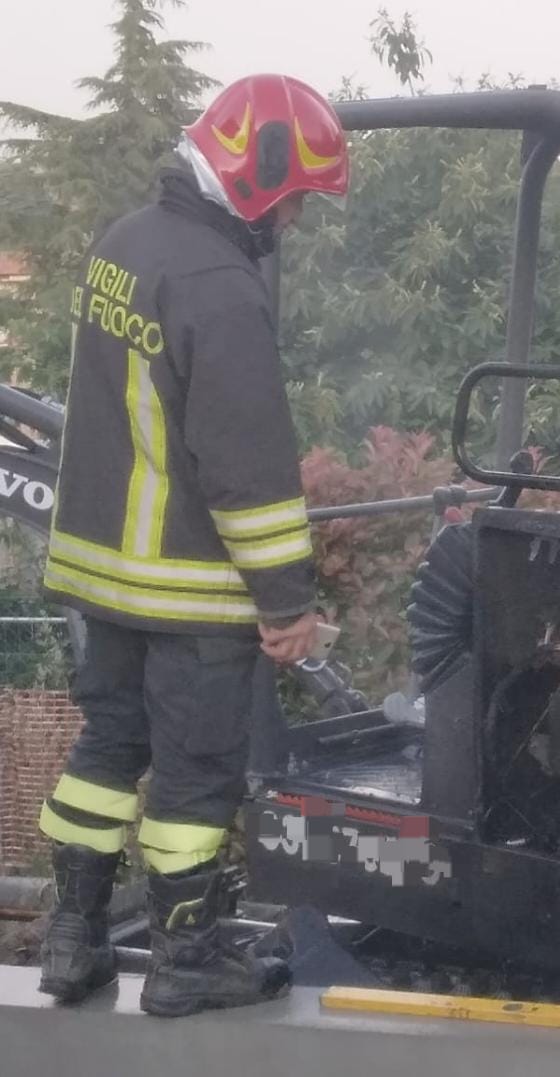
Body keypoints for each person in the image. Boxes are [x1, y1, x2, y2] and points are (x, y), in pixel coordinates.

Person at [35, 74, 348, 1017]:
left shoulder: (124, 246)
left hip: (104, 575)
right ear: (258, 174)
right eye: (297, 197)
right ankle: (187, 961)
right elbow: (246, 467)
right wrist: (288, 604)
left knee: (107, 744)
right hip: (189, 590)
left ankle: (72, 937)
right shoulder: (222, 286)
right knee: (194, 776)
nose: (296, 219)